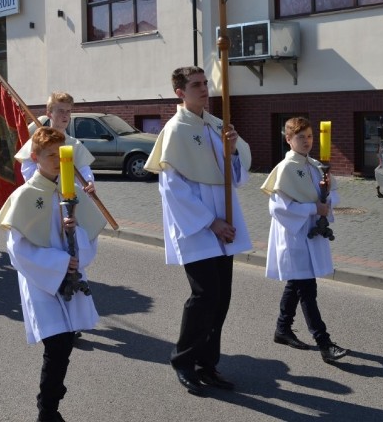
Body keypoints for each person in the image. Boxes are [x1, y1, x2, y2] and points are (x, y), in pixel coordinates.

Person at [143, 66, 253, 396]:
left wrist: (232, 153)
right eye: (196, 85)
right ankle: (184, 361)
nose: (204, 89)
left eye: (205, 83)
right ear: (180, 92)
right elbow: (173, 189)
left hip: (224, 222)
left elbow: (235, 174)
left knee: (221, 298)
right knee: (205, 295)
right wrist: (211, 222)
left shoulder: (217, 125)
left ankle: (208, 364)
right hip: (199, 226)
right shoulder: (176, 130)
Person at [0, 127, 105, 422]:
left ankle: (51, 403)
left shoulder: (72, 191)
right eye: (50, 155)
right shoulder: (25, 195)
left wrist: (75, 235)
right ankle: (47, 410)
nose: (57, 160)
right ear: (35, 157)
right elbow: (18, 249)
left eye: (61, 154)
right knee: (56, 344)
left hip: (68, 276)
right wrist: (58, 262)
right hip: (41, 281)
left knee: (65, 343)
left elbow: (90, 236)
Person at [261, 117, 348, 364]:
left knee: (297, 284)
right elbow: (278, 208)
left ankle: (282, 329)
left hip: (310, 234)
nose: (307, 141)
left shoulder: (316, 166)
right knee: (306, 289)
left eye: (310, 136)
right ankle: (324, 343)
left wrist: (327, 194)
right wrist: (314, 209)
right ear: (288, 139)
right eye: (301, 137)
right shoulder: (285, 169)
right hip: (294, 236)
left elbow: (335, 198)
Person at [15, 91, 96, 194]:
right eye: (61, 111)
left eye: (68, 111)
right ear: (49, 114)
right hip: (43, 194)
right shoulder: (37, 142)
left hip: (67, 197)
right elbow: (27, 167)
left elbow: (83, 169)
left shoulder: (74, 144)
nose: (65, 115)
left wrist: (88, 181)